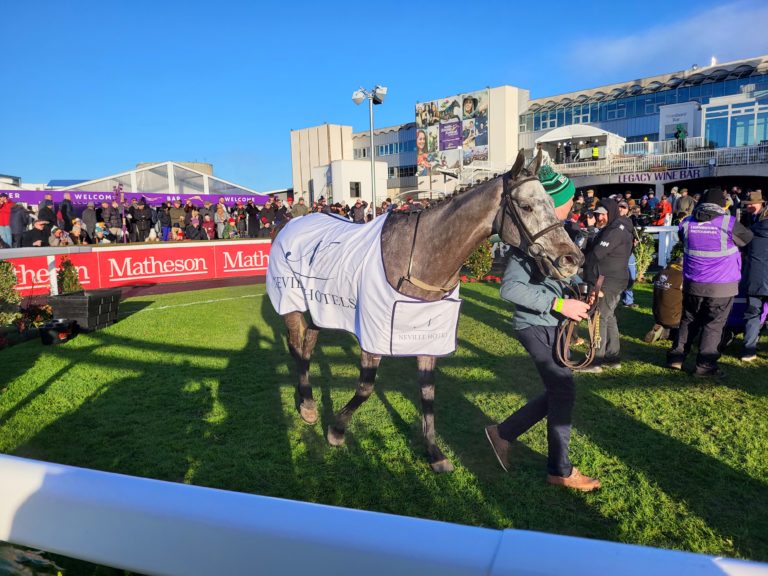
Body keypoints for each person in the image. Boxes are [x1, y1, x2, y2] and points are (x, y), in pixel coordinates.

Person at [484, 167, 600, 492]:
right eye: (570, 200)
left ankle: (502, 434)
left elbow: (561, 277)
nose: (574, 204)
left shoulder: (553, 237)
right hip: (534, 326)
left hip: (550, 325)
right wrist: (561, 306)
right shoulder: (530, 244)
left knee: (559, 392)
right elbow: (510, 290)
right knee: (563, 391)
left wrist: (582, 289)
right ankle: (559, 470)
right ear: (556, 203)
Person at [667, 187, 753, 377]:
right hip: (722, 285)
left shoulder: (687, 222)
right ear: (722, 205)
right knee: (713, 325)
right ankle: (705, 366)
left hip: (692, 282)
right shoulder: (728, 223)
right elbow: (747, 239)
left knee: (688, 320)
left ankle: (676, 358)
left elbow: (683, 239)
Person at [581, 198, 634, 371]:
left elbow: (596, 253)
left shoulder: (615, 230)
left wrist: (580, 263)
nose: (598, 218)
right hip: (611, 279)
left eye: (602, 215)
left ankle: (596, 361)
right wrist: (591, 229)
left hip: (608, 281)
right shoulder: (615, 227)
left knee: (599, 317)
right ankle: (612, 357)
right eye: (597, 215)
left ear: (610, 213)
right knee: (608, 316)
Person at [740, 200, 768, 362]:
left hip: (755, 279)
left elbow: (742, 251)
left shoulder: (751, 232)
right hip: (757, 278)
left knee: (752, 315)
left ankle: (748, 351)